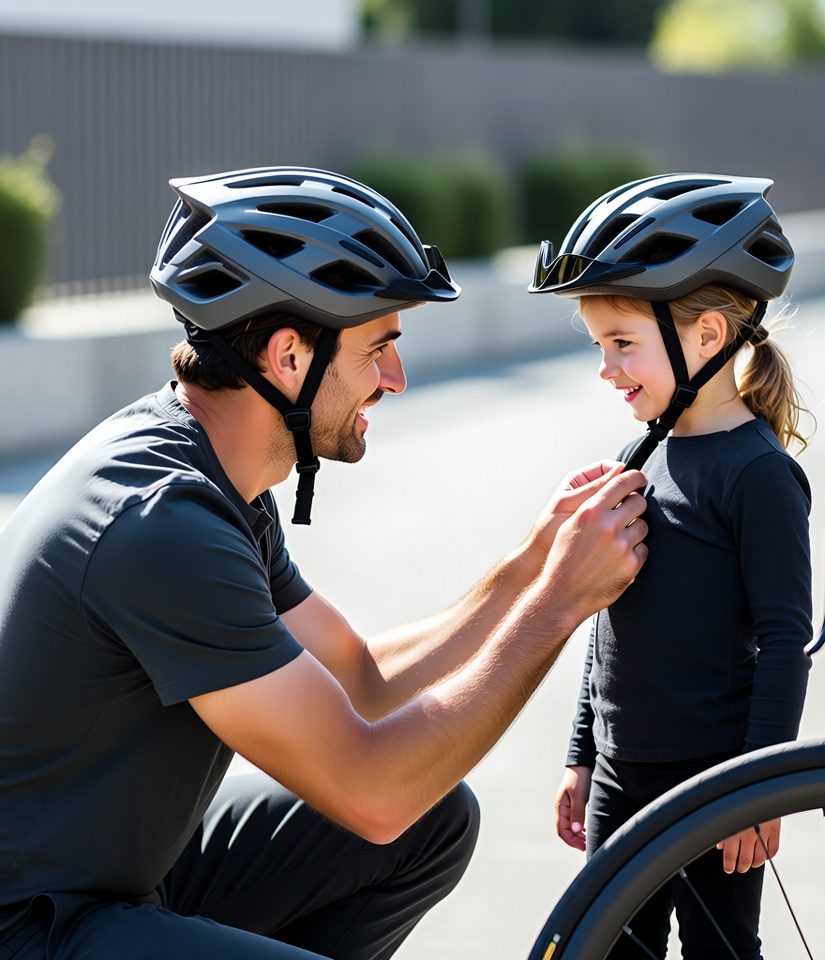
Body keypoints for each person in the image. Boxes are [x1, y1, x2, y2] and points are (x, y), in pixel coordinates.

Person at [0, 166, 651, 960]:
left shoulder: (214, 477)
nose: (395, 379)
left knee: (433, 821)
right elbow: (372, 789)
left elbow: (360, 679)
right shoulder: (162, 523)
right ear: (287, 357)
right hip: (35, 925)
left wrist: (531, 566)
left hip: (124, 877)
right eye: (379, 348)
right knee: (392, 806)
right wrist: (558, 605)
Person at [528, 173, 814, 958]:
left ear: (708, 337)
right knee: (609, 947)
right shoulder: (638, 457)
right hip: (623, 773)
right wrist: (582, 755)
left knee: (718, 951)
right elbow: (605, 610)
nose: (607, 368)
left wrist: (762, 787)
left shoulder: (757, 474)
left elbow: (787, 640)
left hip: (716, 779)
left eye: (623, 344)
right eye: (600, 346)